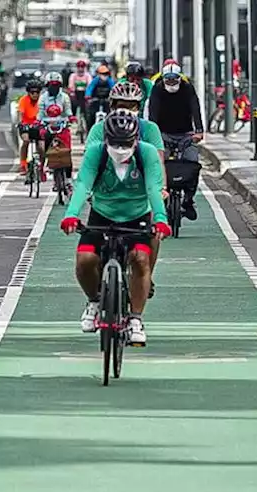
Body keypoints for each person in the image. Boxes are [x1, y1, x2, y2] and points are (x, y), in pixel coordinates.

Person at [60, 111, 171, 346]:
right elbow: (83, 185)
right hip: (102, 215)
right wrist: (71, 215)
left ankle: (136, 319)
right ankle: (93, 301)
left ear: (135, 140)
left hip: (136, 216)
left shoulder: (147, 153)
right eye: (115, 144)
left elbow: (153, 187)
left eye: (126, 144)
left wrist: (160, 218)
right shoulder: (96, 153)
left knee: (141, 259)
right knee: (85, 260)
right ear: (106, 138)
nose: (120, 149)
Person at [147, 62, 203, 221]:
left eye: (174, 80)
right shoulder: (157, 89)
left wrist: (199, 130)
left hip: (185, 133)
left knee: (193, 162)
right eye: (168, 80)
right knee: (157, 162)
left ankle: (189, 199)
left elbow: (195, 108)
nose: (171, 83)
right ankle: (161, 195)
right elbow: (153, 111)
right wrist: (153, 132)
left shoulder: (187, 89)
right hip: (163, 133)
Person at [87, 81, 164, 151]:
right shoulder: (98, 129)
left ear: (138, 107)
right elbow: (89, 159)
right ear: (112, 106)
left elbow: (158, 162)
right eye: (121, 105)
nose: (126, 110)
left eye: (131, 106)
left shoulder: (150, 129)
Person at [15, 78, 44, 176]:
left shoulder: (42, 100)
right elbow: (20, 112)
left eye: (37, 92)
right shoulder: (23, 100)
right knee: (26, 141)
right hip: (26, 125)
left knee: (41, 146)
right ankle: (23, 164)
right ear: (28, 92)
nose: (35, 94)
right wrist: (20, 122)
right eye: (32, 92)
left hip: (38, 125)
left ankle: (42, 166)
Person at [85, 64, 116, 128]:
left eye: (106, 73)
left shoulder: (110, 81)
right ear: (99, 74)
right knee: (91, 115)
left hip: (106, 100)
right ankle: (90, 130)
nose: (104, 75)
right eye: (102, 73)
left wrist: (114, 96)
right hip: (95, 100)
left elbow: (113, 89)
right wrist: (88, 95)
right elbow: (90, 88)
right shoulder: (95, 80)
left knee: (110, 115)